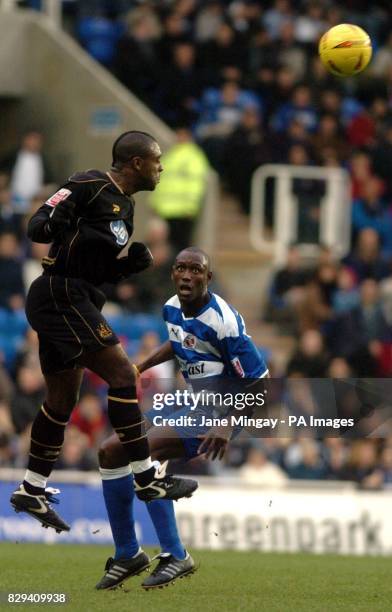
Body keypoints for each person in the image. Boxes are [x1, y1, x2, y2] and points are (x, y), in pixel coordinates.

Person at [10, 131, 198, 537]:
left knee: (61, 400)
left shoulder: (125, 208)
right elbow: (38, 225)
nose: (161, 167)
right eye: (156, 160)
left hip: (78, 294)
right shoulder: (87, 184)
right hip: (60, 293)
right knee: (122, 374)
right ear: (135, 163)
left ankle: (31, 488)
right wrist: (53, 222)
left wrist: (127, 266)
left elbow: (95, 267)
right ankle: (146, 476)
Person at [96, 246, 269, 590]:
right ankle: (128, 553)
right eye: (181, 268)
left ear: (208, 278)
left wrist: (227, 423)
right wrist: (140, 366)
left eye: (195, 270)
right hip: (191, 400)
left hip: (222, 409)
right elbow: (178, 342)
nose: (187, 275)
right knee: (110, 451)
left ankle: (176, 555)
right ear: (173, 273)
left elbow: (260, 382)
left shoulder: (224, 321)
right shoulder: (171, 308)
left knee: (146, 451)